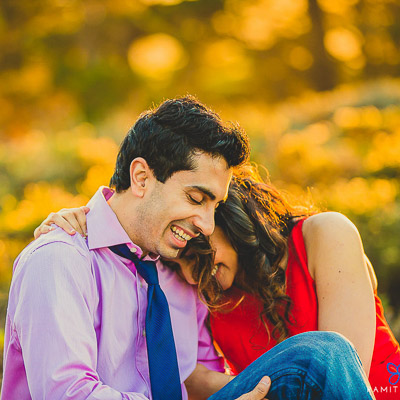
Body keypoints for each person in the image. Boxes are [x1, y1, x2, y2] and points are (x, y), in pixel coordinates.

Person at [23, 97, 376, 400]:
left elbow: (201, 379)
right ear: (142, 178)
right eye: (196, 198)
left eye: (215, 207)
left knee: (320, 358)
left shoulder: (176, 269)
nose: (206, 226)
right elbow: (65, 393)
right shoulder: (61, 259)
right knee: (322, 354)